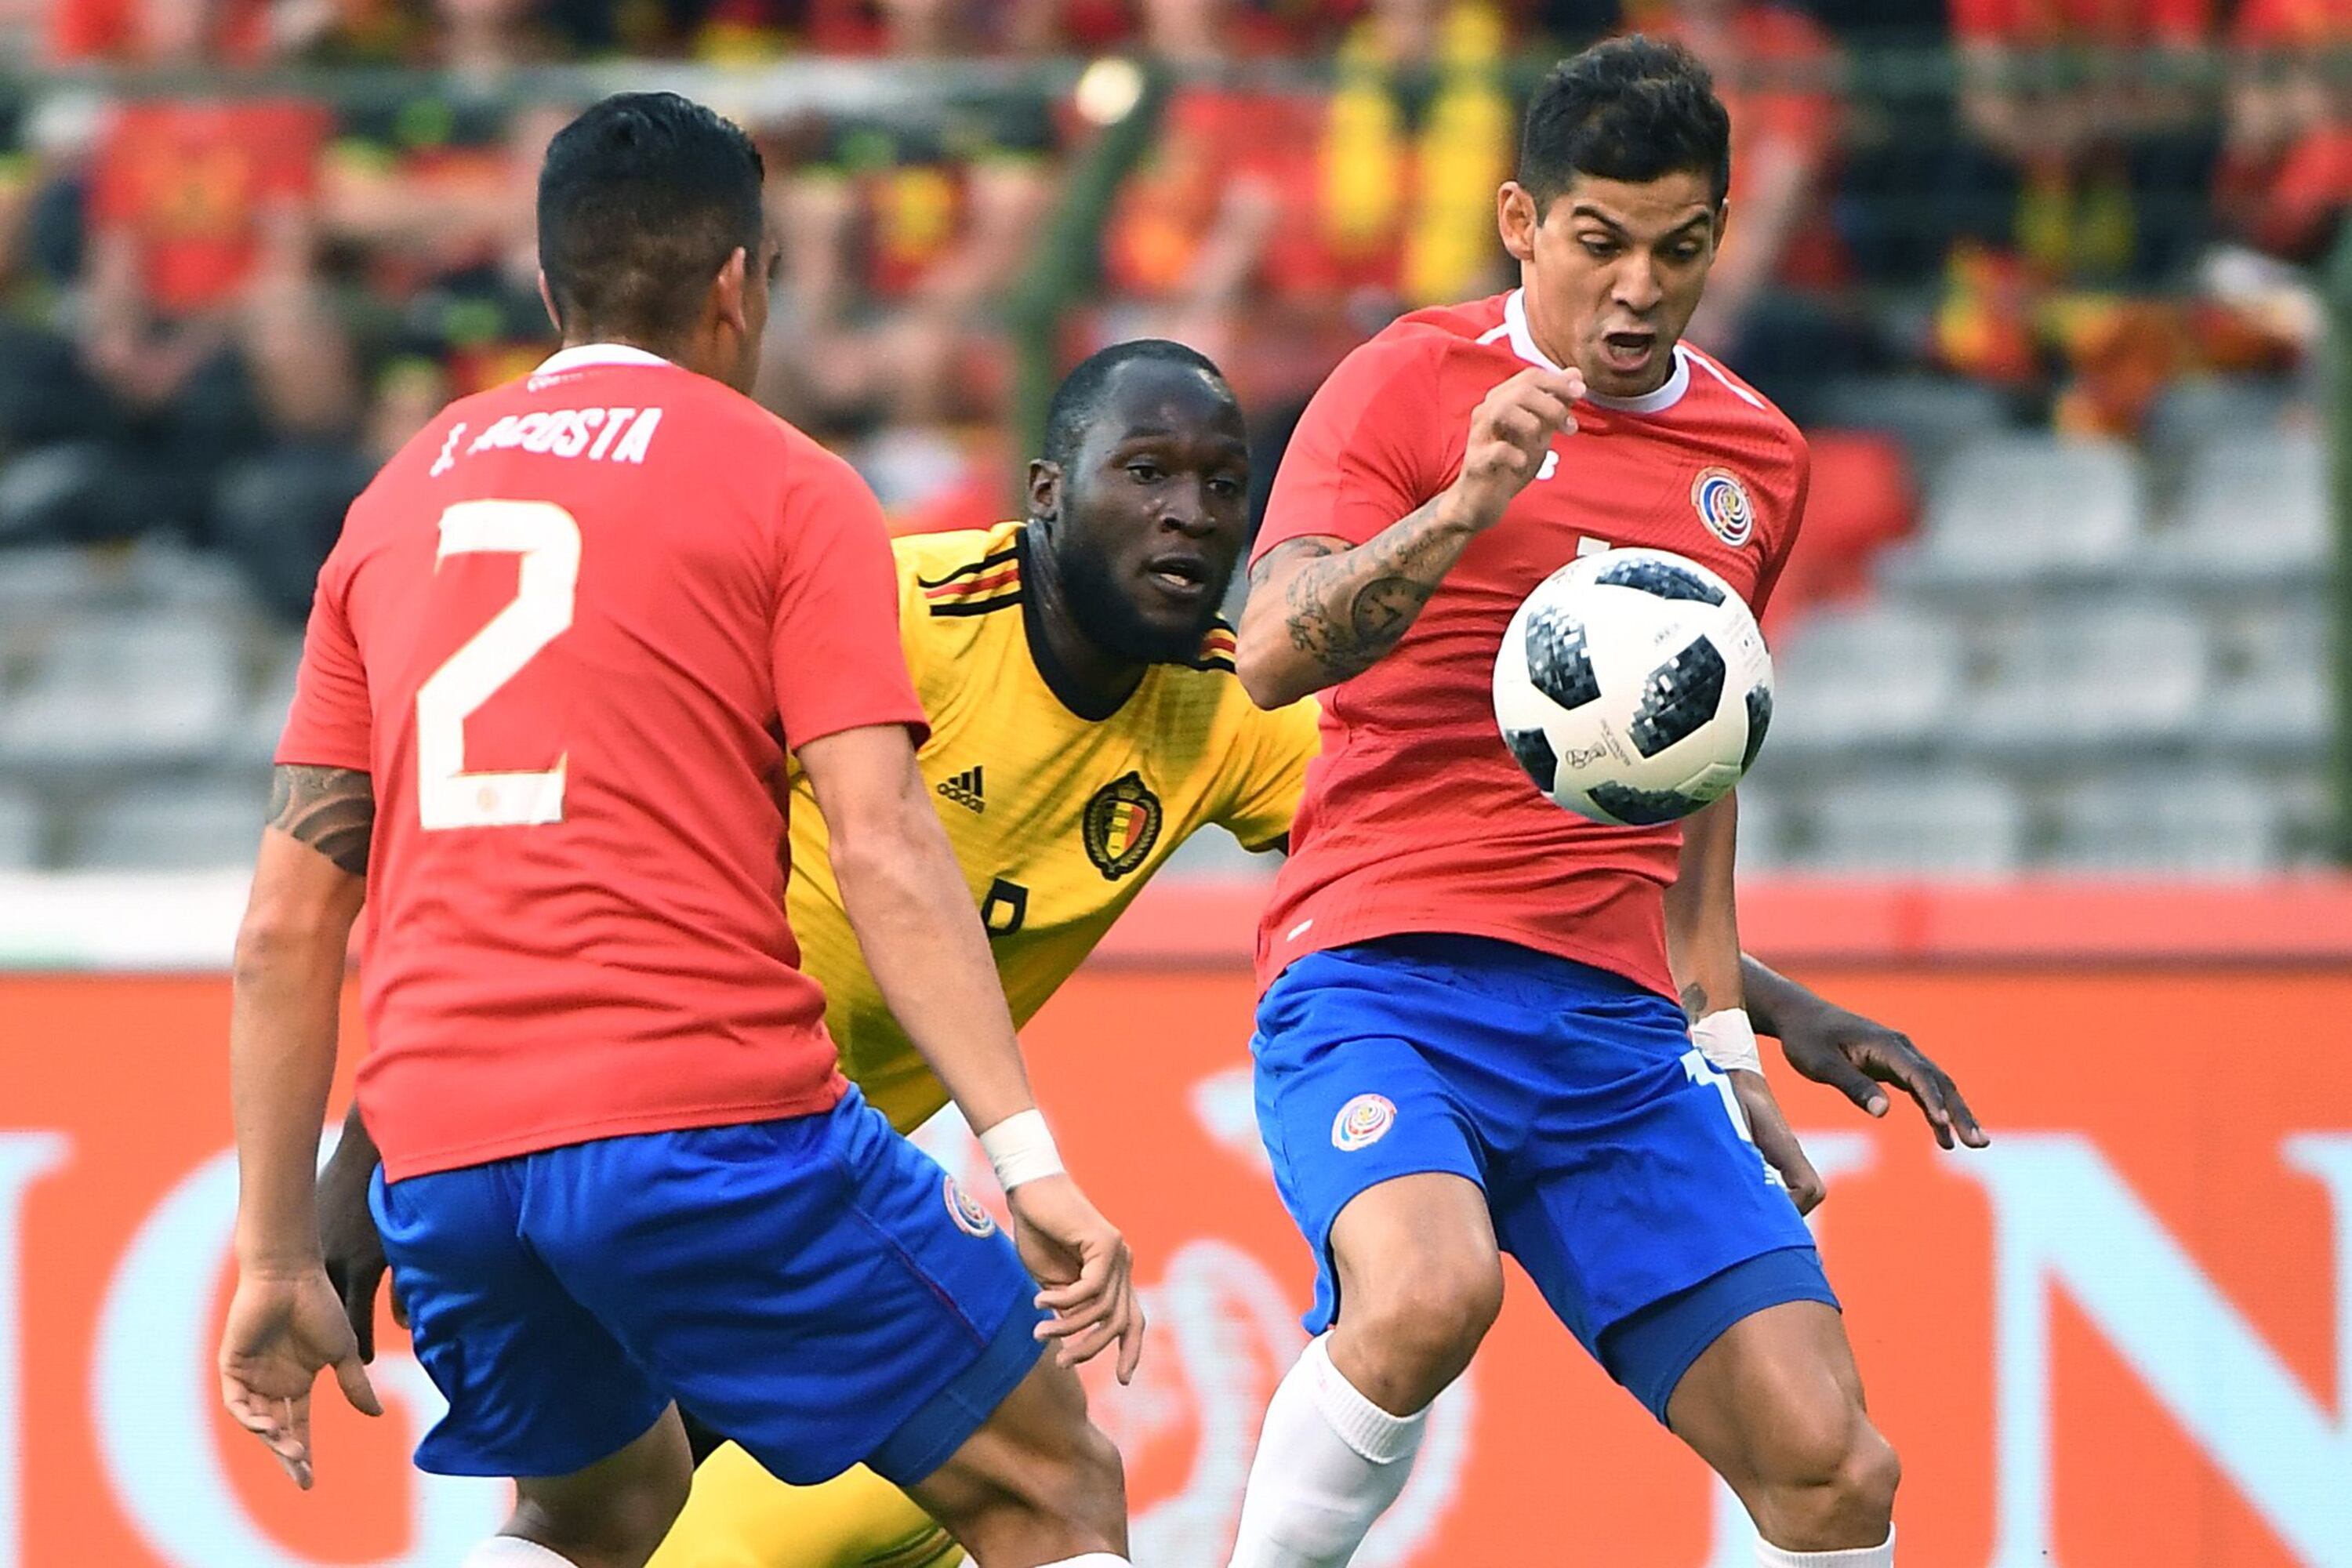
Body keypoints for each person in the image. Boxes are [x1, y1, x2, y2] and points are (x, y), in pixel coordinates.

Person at [317, 336, 1984, 1566]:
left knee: (852, 1507)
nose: (1191, 517)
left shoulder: (1219, 709)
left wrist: (1759, 1001)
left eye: (1221, 486)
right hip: (700, 1126)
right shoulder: (888, 611)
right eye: (1146, 476)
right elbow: (536, 848)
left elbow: (1452, 865)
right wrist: (349, 1171)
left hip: (793, 1177)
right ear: (1047, 494)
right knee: (1010, 1483)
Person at [216, 92, 1144, 1568]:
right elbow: (883, 844)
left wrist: (273, 1251)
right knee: (1053, 1482)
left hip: (448, 1157)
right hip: (704, 1123)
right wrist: (1026, 1158)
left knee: (598, 1508)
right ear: (738, 282)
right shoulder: (787, 483)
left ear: (549, 287)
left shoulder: (397, 503)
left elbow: (283, 927)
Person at [1225, 38, 1985, 1568]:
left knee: (1835, 1469)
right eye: (1600, 242)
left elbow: (1697, 771)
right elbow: (1271, 654)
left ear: (1722, 234)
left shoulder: (1756, 458)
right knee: (1428, 1292)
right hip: (1381, 975)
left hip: (1615, 1033)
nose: (1639, 290)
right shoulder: (1404, 383)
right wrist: (1462, 508)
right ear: (1521, 222)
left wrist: (1732, 1030)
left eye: (1679, 249)